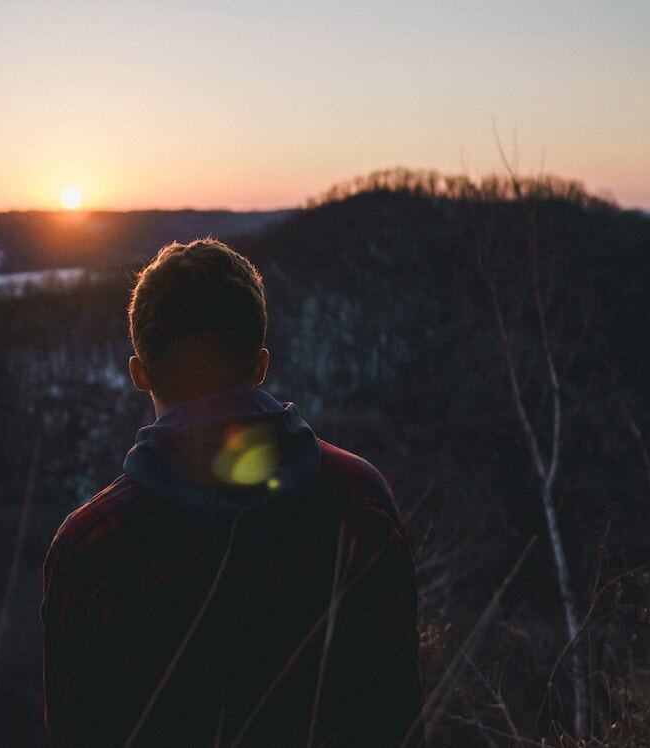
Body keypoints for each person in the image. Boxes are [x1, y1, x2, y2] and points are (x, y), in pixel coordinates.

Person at [41, 238, 424, 746]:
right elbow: (399, 711)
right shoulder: (359, 497)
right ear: (261, 363)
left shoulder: (92, 546)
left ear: (139, 374)